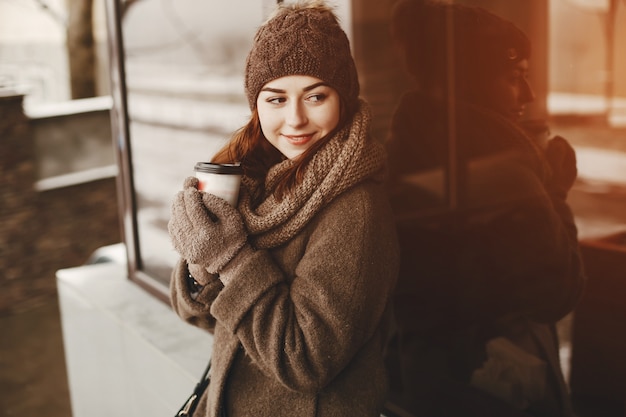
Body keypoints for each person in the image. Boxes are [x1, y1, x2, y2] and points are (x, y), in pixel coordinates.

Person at [167, 1, 400, 416]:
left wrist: (228, 256)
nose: (295, 119)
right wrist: (200, 262)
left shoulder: (356, 209)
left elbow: (305, 359)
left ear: (343, 99)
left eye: (315, 96)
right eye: (276, 99)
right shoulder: (254, 180)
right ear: (257, 105)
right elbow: (199, 315)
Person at [384, 1, 585, 416]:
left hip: (422, 382)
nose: (527, 96)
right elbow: (558, 293)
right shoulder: (506, 176)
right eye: (515, 78)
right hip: (502, 386)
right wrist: (556, 190)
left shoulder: (400, 155)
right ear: (470, 82)